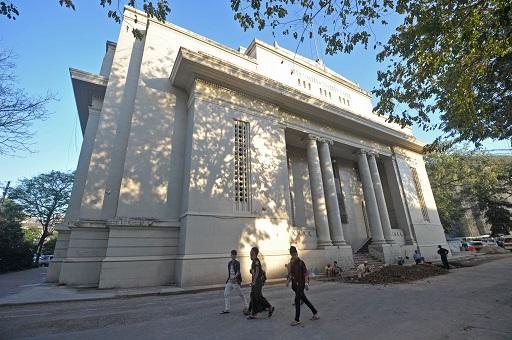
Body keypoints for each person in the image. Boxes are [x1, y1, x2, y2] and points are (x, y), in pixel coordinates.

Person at [287, 246, 319, 326]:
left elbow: (305, 274)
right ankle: (315, 313)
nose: (293, 256)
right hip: (295, 285)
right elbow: (291, 274)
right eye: (292, 255)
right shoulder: (292, 263)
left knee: (297, 300)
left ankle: (297, 319)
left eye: (294, 254)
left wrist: (306, 284)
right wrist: (288, 281)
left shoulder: (301, 263)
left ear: (297, 253)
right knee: (304, 299)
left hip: (301, 285)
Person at [247, 247, 274, 319]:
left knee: (258, 296)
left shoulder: (256, 261)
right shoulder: (253, 261)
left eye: (251, 251)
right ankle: (254, 313)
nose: (250, 252)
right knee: (253, 296)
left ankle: (269, 307)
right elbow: (254, 272)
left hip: (257, 281)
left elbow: (257, 271)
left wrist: (254, 281)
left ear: (254, 253)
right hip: (255, 281)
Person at [221, 250, 248, 314]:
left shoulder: (237, 263)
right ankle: (227, 309)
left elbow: (238, 272)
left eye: (234, 255)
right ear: (231, 255)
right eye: (232, 254)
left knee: (241, 294)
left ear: (236, 256)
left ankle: (246, 306)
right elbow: (229, 272)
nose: (233, 256)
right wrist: (229, 278)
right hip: (230, 281)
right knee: (226, 294)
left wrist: (235, 277)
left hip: (235, 282)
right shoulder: (229, 263)